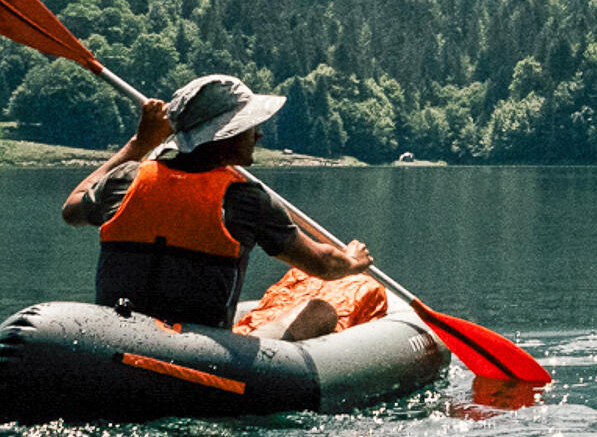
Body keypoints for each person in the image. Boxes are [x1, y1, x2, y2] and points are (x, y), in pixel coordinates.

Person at [62, 74, 374, 339]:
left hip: (115, 338)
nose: (259, 134)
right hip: (200, 353)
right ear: (227, 135)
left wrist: (138, 145)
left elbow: (72, 208)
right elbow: (322, 264)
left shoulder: (125, 179)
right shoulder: (246, 200)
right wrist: (352, 260)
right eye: (250, 126)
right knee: (322, 310)